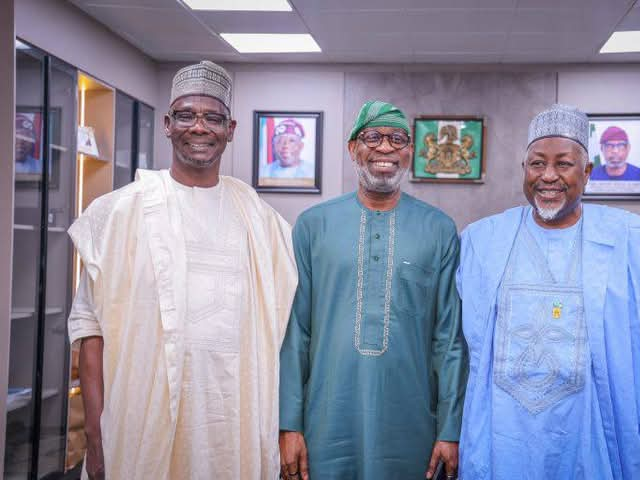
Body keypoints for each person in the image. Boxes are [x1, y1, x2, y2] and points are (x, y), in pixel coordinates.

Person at [67, 60, 297, 480]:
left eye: (213, 117)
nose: (200, 127)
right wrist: (96, 436)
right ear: (168, 124)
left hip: (231, 428)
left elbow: (281, 337)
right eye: (187, 115)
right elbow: (90, 331)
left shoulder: (263, 225)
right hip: (138, 426)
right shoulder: (118, 213)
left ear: (231, 130)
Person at [457, 104, 640, 479]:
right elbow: (457, 350)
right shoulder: (482, 241)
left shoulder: (630, 243)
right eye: (536, 164)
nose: (548, 176)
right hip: (503, 445)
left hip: (593, 442)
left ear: (587, 172)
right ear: (524, 170)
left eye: (563, 163)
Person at [279, 100, 467, 480]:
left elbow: (448, 339)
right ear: (353, 148)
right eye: (373, 137)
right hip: (325, 423)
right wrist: (288, 423)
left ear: (410, 151)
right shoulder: (313, 226)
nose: (385, 148)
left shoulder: (439, 229)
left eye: (397, 139)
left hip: (411, 424)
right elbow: (294, 332)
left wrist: (450, 428)